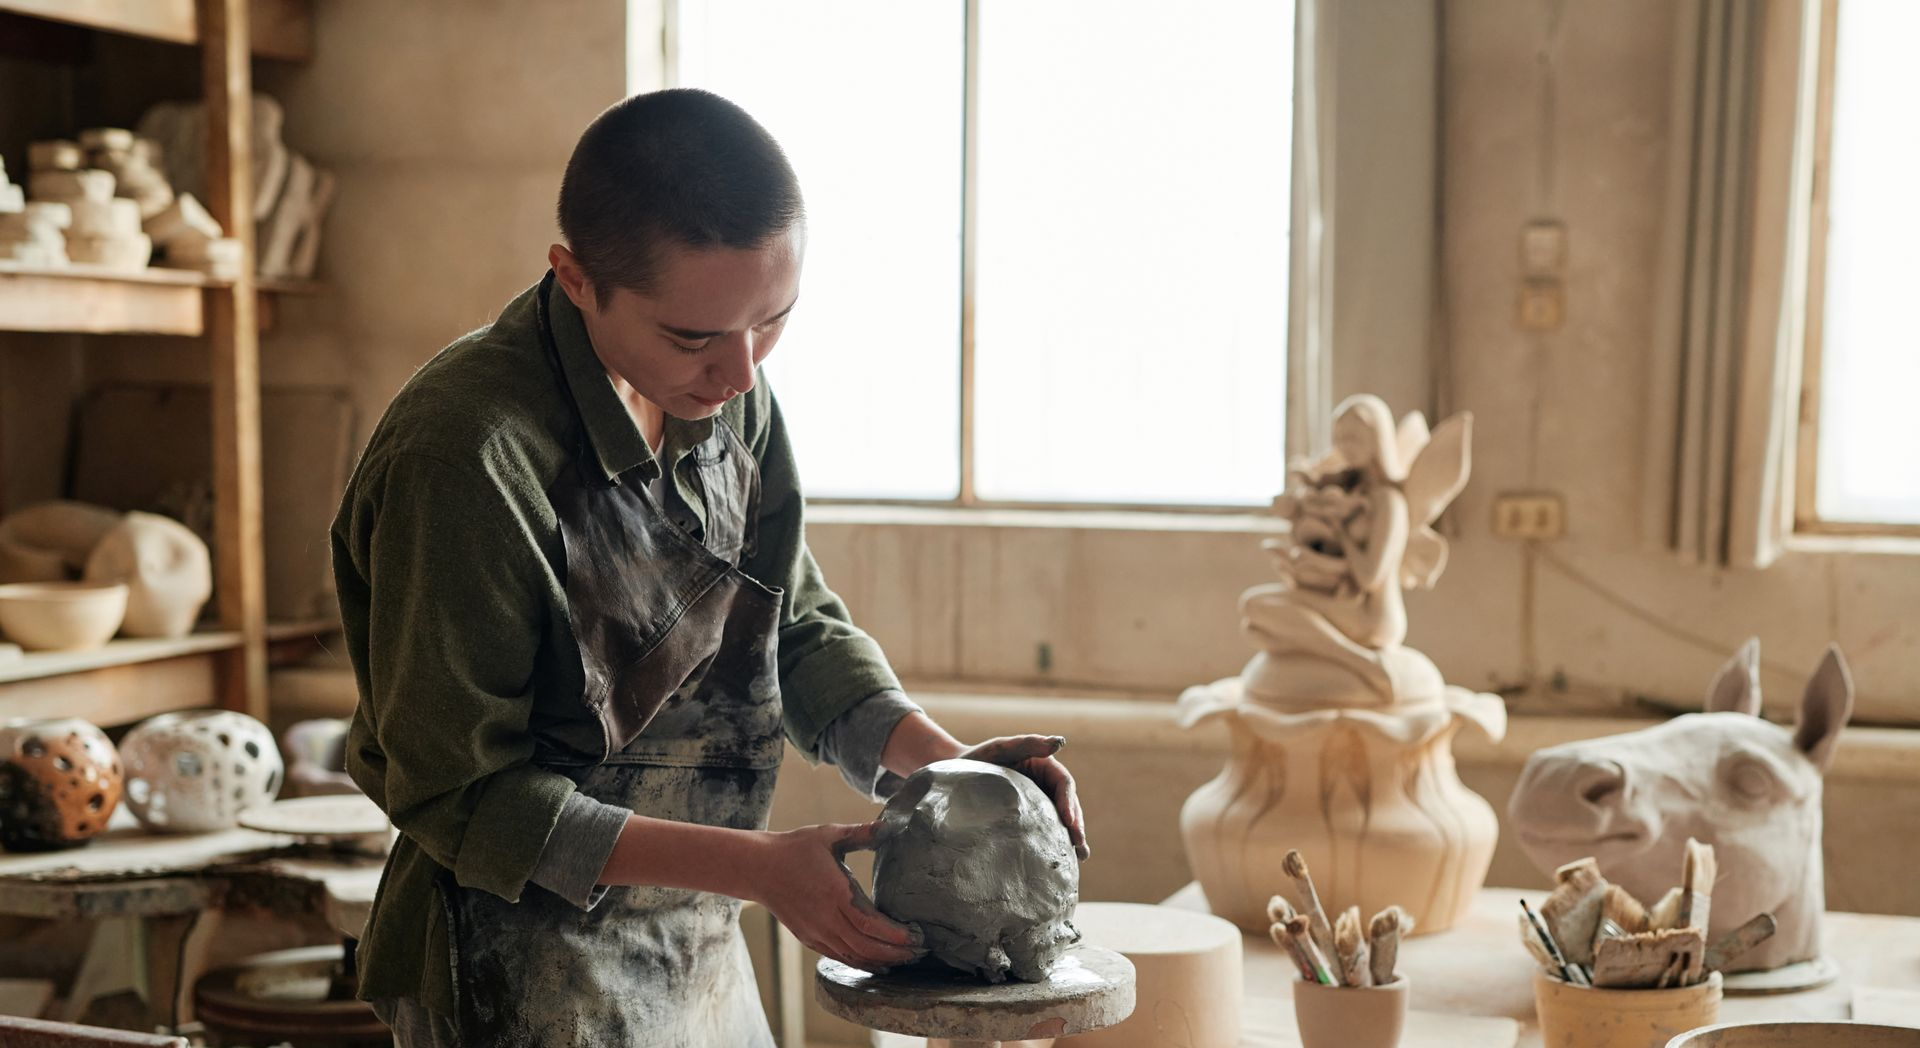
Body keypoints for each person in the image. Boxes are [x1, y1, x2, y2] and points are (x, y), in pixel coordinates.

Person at [331, 88, 1089, 1048]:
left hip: (697, 929)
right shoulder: (467, 456)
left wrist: (948, 772)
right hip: (515, 958)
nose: (740, 373)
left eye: (773, 321)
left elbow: (791, 627)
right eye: (693, 337)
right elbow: (458, 792)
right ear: (574, 278)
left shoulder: (727, 392)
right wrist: (759, 867)